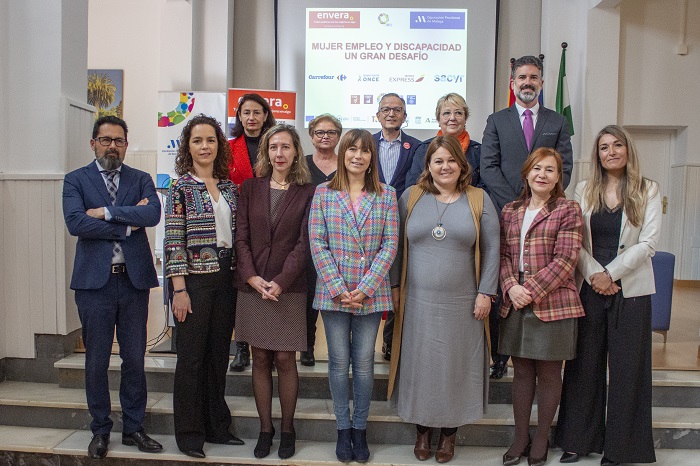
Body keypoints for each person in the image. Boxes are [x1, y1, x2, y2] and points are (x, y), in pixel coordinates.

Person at [387, 136, 499, 463]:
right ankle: (422, 430)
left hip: (464, 304)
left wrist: (485, 292)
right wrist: (394, 288)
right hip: (416, 302)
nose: (445, 166)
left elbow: (492, 249)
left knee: (454, 368)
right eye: (438, 161)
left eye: (451, 160)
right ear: (429, 166)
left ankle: (449, 435)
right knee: (419, 366)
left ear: (462, 165)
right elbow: (396, 248)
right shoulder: (411, 197)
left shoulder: (479, 199)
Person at [555, 125, 660, 465]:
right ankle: (577, 440)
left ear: (628, 150)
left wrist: (610, 274)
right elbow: (575, 242)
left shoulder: (649, 190)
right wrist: (595, 275)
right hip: (589, 287)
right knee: (584, 365)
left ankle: (622, 448)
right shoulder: (583, 190)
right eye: (603, 147)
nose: (611, 151)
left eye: (617, 145)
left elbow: (648, 243)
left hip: (631, 289)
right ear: (597, 155)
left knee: (629, 369)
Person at [62, 116, 163, 459]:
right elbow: (76, 222)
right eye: (105, 140)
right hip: (94, 286)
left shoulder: (141, 178)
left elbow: (151, 216)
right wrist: (125, 224)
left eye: (119, 140)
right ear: (93, 143)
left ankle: (134, 428)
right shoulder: (75, 179)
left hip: (133, 283)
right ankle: (100, 429)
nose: (112, 146)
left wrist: (104, 213)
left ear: (126, 144)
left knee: (134, 359)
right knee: (96, 361)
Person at [480, 55, 574, 380]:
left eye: (533, 78)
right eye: (522, 77)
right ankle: (498, 356)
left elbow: (566, 167)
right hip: (505, 214)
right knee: (500, 279)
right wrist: (518, 205)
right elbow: (488, 166)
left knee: (532, 277)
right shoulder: (497, 120)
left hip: (546, 215)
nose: (527, 83)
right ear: (513, 83)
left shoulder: (557, 121)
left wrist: (539, 203)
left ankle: (519, 350)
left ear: (542, 83)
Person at [308, 129, 398, 463]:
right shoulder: (323, 193)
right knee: (337, 362)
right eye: (352, 150)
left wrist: (366, 287)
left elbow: (390, 244)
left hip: (370, 295)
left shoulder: (387, 194)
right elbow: (317, 242)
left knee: (362, 364)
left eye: (364, 151)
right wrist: (339, 288)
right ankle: (342, 429)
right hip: (334, 294)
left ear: (372, 157)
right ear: (343, 154)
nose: (358, 156)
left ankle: (360, 429)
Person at [165, 114, 244, 459]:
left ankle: (216, 425)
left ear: (219, 145)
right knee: (191, 360)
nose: (204, 146)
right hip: (193, 283)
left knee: (217, 358)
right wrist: (179, 290)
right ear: (188, 146)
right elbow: (173, 241)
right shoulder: (181, 187)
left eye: (210, 140)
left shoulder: (229, 187)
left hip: (226, 279)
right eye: (197, 140)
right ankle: (189, 432)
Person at [234, 124, 315, 459]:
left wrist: (281, 280)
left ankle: (287, 429)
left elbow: (304, 243)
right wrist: (252, 276)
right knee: (260, 357)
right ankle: (265, 429)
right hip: (252, 286)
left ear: (296, 151)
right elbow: (241, 236)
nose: (279, 153)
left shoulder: (309, 191)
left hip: (290, 286)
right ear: (265, 152)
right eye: (273, 147)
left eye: (285, 147)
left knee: (284, 358)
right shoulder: (250, 188)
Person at [498, 147, 583, 466]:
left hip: (553, 302)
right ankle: (521, 436)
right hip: (516, 298)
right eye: (537, 168)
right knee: (520, 372)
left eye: (550, 170)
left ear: (558, 177)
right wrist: (510, 287)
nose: (542, 175)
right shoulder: (510, 209)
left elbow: (566, 259)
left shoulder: (568, 209)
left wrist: (528, 290)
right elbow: (504, 256)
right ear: (526, 173)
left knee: (548, 373)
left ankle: (543, 437)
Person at [228, 93, 277, 372]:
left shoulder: (275, 143)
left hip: (270, 221)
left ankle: (267, 344)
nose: (251, 118)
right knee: (242, 284)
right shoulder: (229, 146)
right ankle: (241, 348)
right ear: (239, 116)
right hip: (237, 221)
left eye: (257, 112)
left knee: (268, 281)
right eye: (246, 112)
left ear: (265, 115)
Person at [372, 93, 421, 362]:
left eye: (397, 110)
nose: (391, 114)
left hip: (403, 221)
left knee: (397, 279)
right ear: (377, 115)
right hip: (368, 220)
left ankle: (392, 341)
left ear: (405, 116)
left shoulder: (416, 146)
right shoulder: (364, 143)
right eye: (386, 109)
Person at [302, 113, 343, 367]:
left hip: (340, 241)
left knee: (335, 294)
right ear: (311, 136)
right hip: (307, 238)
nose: (325, 137)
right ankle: (307, 345)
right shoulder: (301, 164)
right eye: (319, 132)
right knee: (307, 297)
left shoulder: (347, 164)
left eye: (331, 132)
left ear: (339, 136)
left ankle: (339, 350)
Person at [405, 93, 483, 191]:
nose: (452, 118)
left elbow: (485, 187)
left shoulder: (479, 151)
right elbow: (413, 185)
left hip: (470, 204)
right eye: (446, 113)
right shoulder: (424, 149)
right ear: (438, 119)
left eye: (458, 113)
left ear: (465, 119)